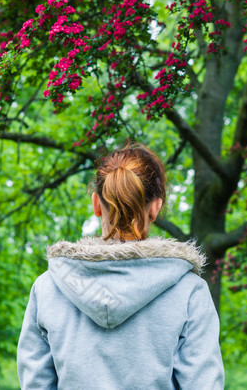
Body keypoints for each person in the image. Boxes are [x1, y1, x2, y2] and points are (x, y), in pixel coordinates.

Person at [16, 142, 224, 389]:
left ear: (96, 203)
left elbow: (35, 383)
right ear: (156, 208)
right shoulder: (190, 291)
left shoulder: (48, 288)